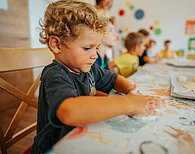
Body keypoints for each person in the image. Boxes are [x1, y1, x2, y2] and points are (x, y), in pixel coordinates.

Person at [31, 1, 166, 153]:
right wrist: (128, 103)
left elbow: (115, 79)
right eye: (87, 48)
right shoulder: (55, 74)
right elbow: (69, 112)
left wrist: (131, 91)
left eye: (97, 47)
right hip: (55, 146)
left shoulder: (89, 69)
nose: (95, 55)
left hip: (84, 137)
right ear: (56, 45)